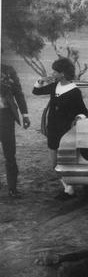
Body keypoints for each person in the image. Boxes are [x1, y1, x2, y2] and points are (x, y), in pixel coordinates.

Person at [32, 57, 88, 200]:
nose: (53, 73)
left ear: (62, 73)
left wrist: (78, 119)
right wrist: (41, 80)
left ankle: (69, 189)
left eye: (55, 71)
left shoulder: (75, 91)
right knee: (54, 163)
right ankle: (67, 187)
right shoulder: (55, 85)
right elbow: (36, 92)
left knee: (65, 162)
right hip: (53, 129)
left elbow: (83, 111)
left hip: (65, 131)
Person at [1, 64, 30, 197]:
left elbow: (18, 92)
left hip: (6, 116)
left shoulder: (8, 70)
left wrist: (25, 114)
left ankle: (12, 188)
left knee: (10, 153)